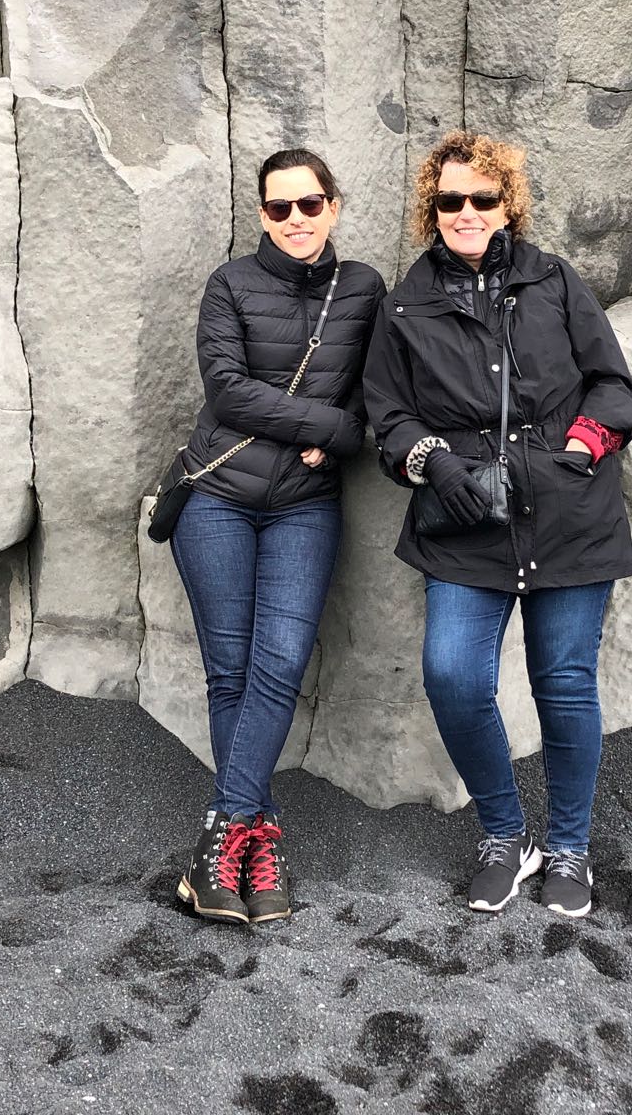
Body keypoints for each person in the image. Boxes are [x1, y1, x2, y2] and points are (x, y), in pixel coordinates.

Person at [363, 130, 632, 918]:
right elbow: (386, 416)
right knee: (452, 675)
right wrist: (433, 463)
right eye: (450, 200)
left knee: (564, 684)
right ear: (432, 207)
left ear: (506, 205)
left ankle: (570, 849)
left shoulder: (554, 281)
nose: (466, 213)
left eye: (482, 199)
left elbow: (613, 387)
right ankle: (503, 835)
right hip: (464, 519)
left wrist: (580, 452)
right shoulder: (405, 305)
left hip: (568, 515)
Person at [172, 149, 386, 925]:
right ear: (261, 214)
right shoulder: (229, 285)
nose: (294, 220)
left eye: (308, 205)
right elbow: (226, 392)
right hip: (217, 500)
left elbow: (378, 403)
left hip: (304, 506)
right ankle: (254, 847)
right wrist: (326, 424)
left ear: (334, 205)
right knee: (229, 673)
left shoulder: (362, 289)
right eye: (277, 208)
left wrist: (344, 434)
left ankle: (218, 841)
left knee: (279, 664)